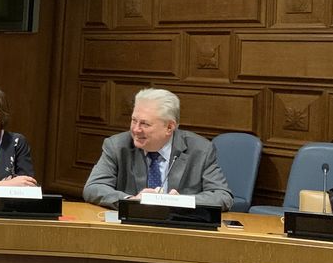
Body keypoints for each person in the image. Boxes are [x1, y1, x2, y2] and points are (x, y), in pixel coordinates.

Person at [83, 87, 233, 210]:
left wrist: (182, 202)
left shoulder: (200, 150)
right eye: (134, 120)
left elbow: (222, 196)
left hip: (179, 229)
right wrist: (130, 200)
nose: (135, 129)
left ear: (169, 127)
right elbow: (93, 187)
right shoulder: (117, 146)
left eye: (145, 124)